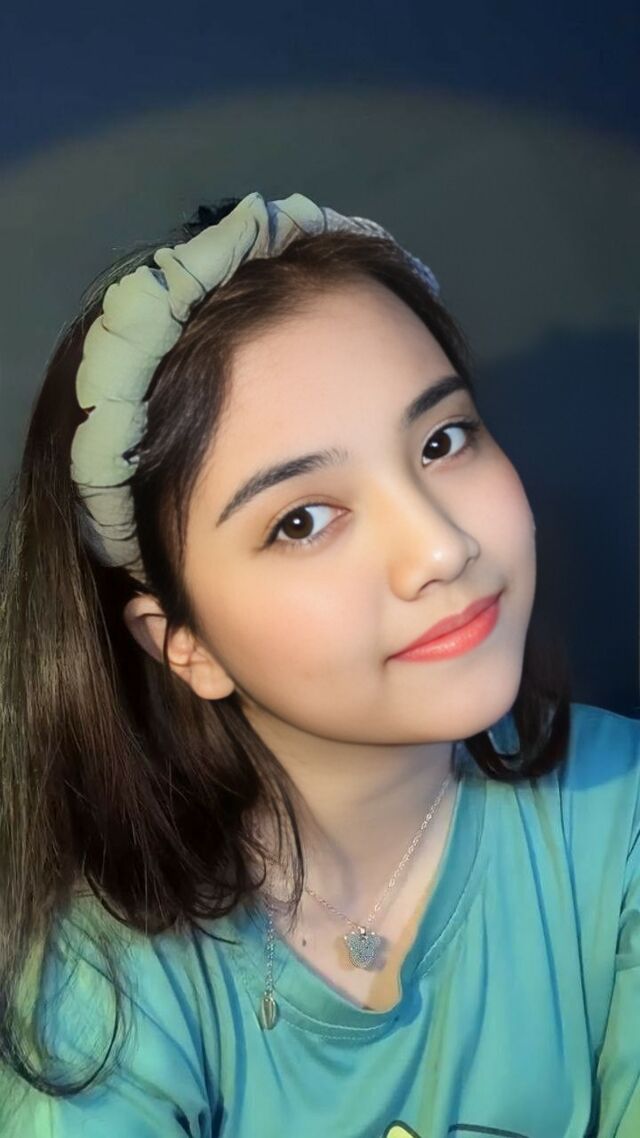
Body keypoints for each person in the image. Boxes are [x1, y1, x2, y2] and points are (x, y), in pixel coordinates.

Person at [0, 191, 637, 1138]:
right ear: (182, 643)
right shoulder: (107, 991)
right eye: (301, 520)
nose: (441, 548)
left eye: (443, 440)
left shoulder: (618, 817)